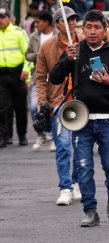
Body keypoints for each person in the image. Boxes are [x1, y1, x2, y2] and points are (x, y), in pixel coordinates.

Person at [49, 10, 109, 227]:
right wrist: (66, 61)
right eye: (88, 27)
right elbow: (54, 78)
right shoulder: (75, 51)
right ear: (82, 29)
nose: (93, 31)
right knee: (83, 167)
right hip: (82, 120)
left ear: (105, 30)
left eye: (98, 27)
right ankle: (90, 210)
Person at [36, 7, 83, 205]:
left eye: (73, 19)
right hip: (59, 102)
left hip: (82, 102)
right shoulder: (47, 46)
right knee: (63, 146)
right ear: (57, 24)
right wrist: (42, 101)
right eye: (66, 20)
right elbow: (40, 77)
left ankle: (77, 181)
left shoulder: (86, 41)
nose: (71, 22)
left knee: (80, 146)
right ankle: (65, 187)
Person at [0, 7, 31, 147]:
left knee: (20, 107)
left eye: (3, 17)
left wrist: (26, 71)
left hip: (18, 75)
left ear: (10, 18)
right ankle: (5, 136)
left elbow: (28, 54)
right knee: (3, 107)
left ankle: (22, 134)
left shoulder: (19, 33)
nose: (0, 20)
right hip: (1, 76)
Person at [26, 10, 56, 150]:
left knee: (53, 109)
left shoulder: (57, 35)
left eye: (38, 22)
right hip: (39, 78)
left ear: (46, 22)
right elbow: (27, 55)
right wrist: (39, 55)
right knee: (34, 107)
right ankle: (41, 133)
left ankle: (53, 136)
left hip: (56, 79)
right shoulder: (34, 37)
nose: (35, 24)